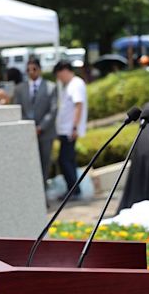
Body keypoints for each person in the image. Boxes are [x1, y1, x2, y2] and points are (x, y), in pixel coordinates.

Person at [12, 58, 57, 184]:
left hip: (45, 133)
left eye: (34, 69)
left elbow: (53, 110)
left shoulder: (50, 87)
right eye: (28, 70)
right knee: (29, 163)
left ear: (40, 70)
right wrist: (28, 126)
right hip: (27, 132)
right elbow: (18, 109)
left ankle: (44, 192)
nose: (31, 72)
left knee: (45, 163)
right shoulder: (20, 88)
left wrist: (40, 127)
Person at [53, 60, 87, 199]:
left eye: (59, 74)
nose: (59, 78)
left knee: (65, 160)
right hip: (65, 129)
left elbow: (78, 106)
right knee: (68, 160)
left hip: (69, 130)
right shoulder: (68, 85)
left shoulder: (76, 84)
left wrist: (74, 127)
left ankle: (74, 190)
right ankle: (73, 189)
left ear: (65, 70)